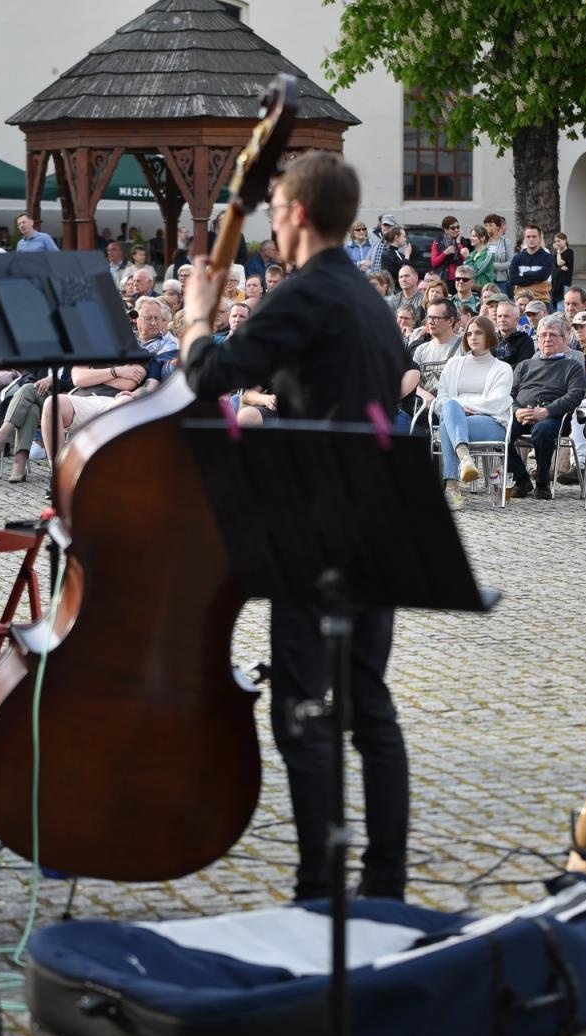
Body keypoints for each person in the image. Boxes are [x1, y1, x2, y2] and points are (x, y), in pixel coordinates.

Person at [178, 150, 411, 902]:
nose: (269, 225)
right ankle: (384, 885)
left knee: (304, 713)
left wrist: (195, 313)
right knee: (369, 707)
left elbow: (207, 378)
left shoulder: (304, 293)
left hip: (318, 529)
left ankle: (320, 890)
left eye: (274, 211)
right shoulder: (367, 299)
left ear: (299, 215)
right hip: (378, 520)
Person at [434, 315, 513, 511]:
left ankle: (452, 489)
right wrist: (457, 408)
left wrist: (463, 405)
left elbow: (496, 403)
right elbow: (440, 400)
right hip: (456, 420)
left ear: (489, 335)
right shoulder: (454, 364)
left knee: (449, 421)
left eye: (478, 332)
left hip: (491, 423)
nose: (473, 337)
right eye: (469, 333)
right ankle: (465, 460)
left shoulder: (503, 368)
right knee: (449, 412)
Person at [504, 313, 586, 500]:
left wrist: (546, 411)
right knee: (499, 432)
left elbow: (575, 395)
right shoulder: (525, 365)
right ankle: (522, 478)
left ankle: (542, 483)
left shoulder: (572, 366)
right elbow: (509, 394)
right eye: (543, 335)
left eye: (552, 335)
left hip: (554, 417)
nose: (547, 339)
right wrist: (517, 411)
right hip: (522, 414)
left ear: (564, 339)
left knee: (542, 430)